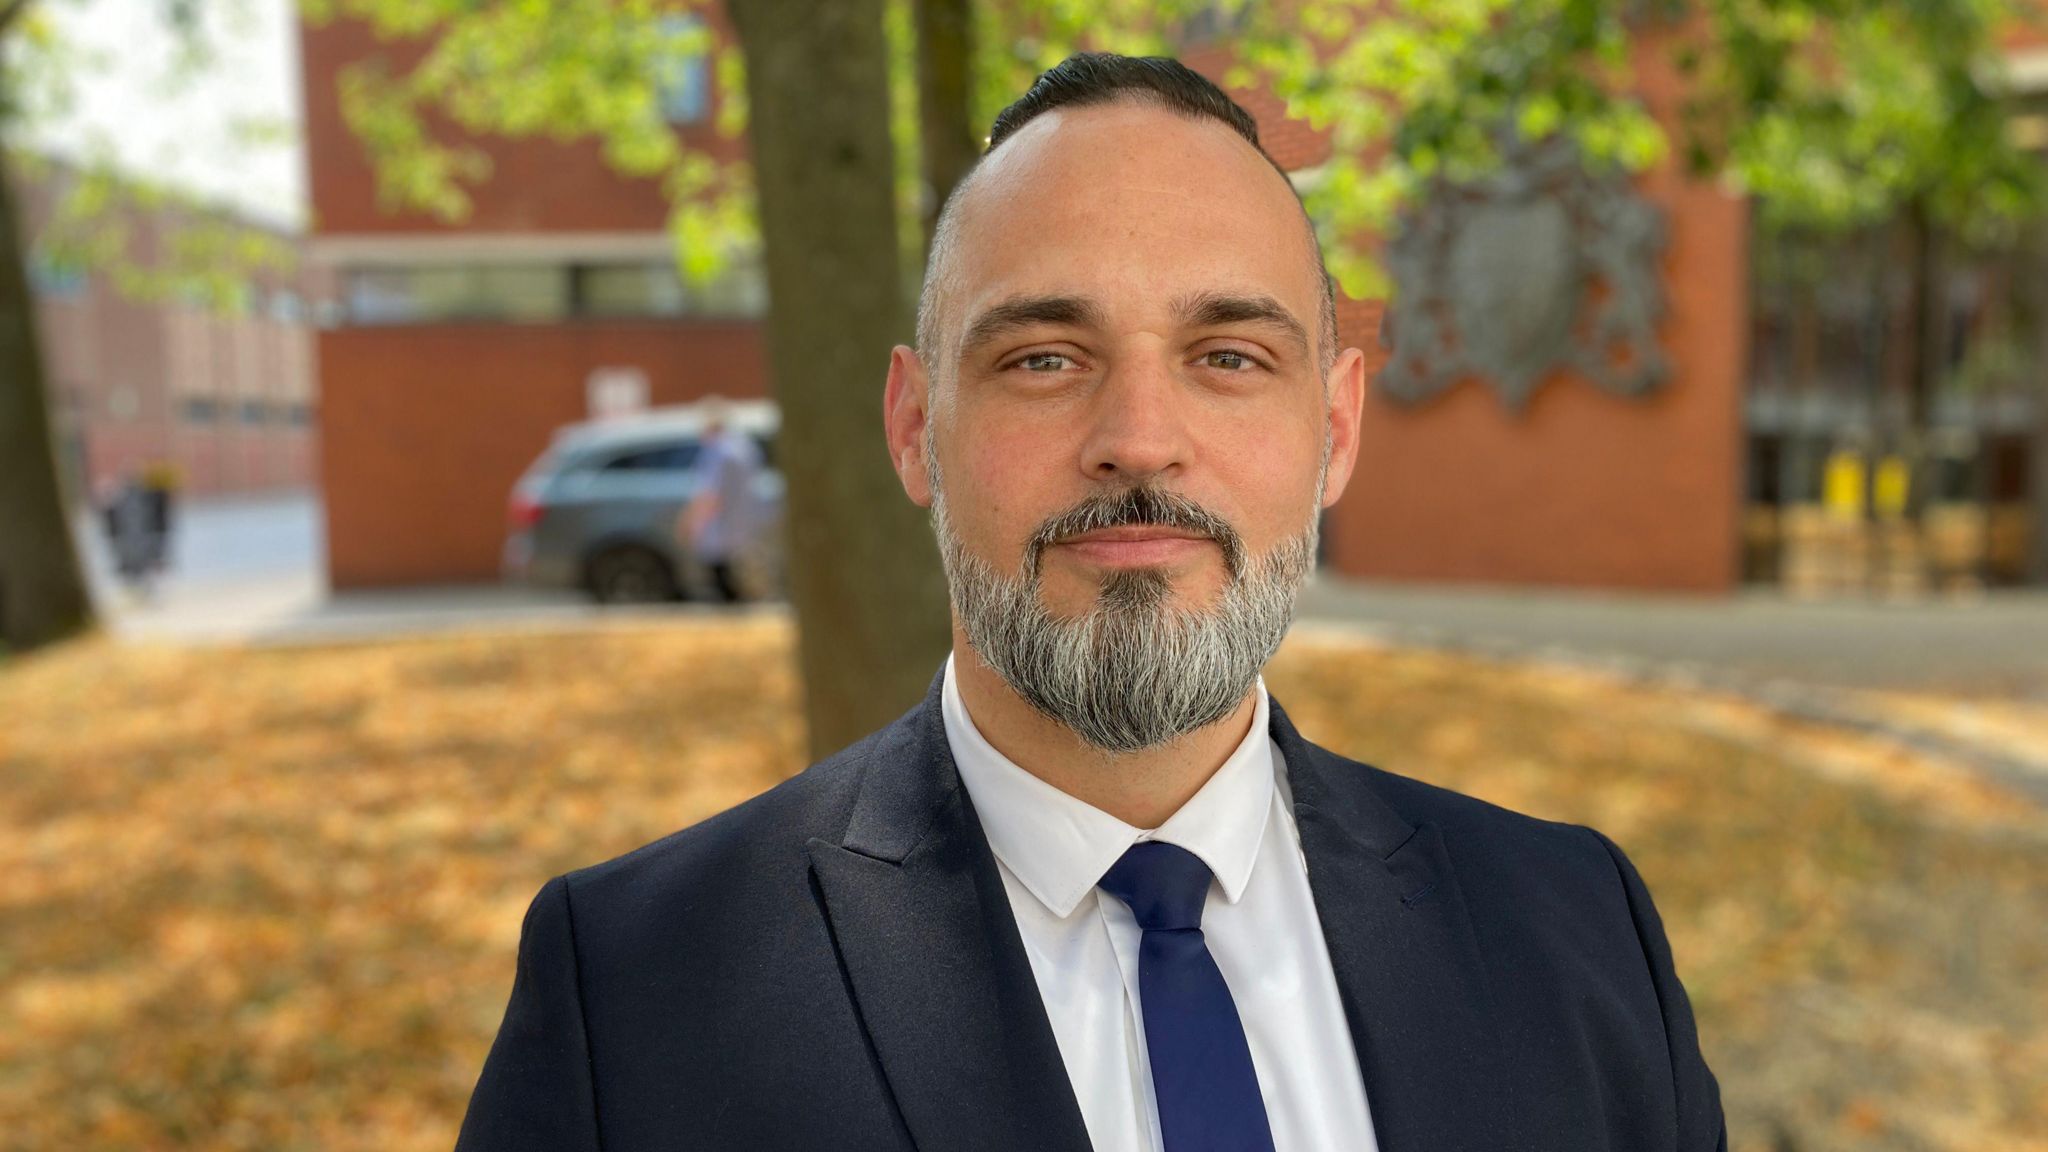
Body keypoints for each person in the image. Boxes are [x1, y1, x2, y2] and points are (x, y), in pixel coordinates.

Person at [457, 54, 1725, 1152]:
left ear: (1333, 429)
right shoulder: (633, 993)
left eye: (1227, 357)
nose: (1137, 440)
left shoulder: (1575, 930)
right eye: (1043, 359)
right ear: (914, 428)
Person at [677, 399, 764, 602]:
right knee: (740, 575)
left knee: (723, 580)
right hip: (744, 520)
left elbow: (710, 494)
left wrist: (690, 521)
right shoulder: (744, 446)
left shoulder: (717, 452)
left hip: (721, 524)